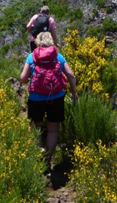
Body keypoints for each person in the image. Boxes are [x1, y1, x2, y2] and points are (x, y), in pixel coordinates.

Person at [20, 32, 78, 173]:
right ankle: (48, 160)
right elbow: (70, 74)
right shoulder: (57, 56)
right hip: (56, 97)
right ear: (51, 41)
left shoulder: (32, 56)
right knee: (53, 130)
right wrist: (74, 92)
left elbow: (23, 77)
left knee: (36, 127)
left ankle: (40, 155)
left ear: (37, 42)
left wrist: (28, 81)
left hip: (36, 98)